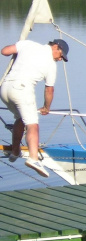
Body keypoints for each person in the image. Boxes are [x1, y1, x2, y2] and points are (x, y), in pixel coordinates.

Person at [1, 38, 69, 178]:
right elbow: (49, 90)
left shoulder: (28, 44)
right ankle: (34, 159)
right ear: (56, 47)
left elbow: (4, 51)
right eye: (61, 55)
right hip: (22, 89)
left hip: (5, 89)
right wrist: (46, 107)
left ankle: (15, 151)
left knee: (21, 118)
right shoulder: (51, 64)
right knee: (33, 125)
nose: (60, 59)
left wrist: (17, 53)